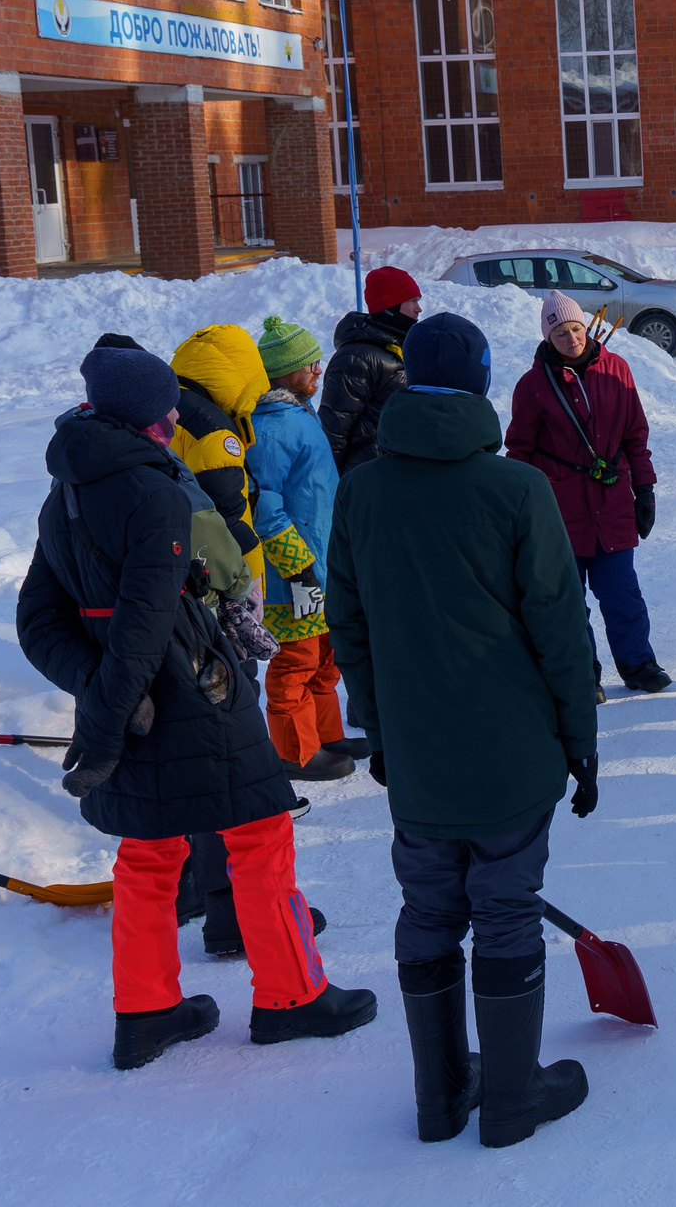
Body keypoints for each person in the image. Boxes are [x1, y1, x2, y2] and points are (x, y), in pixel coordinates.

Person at [16, 345, 376, 1071]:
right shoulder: (153, 492)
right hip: (193, 694)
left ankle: (145, 1012)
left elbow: (37, 622)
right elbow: (148, 618)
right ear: (139, 418)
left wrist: (99, 689)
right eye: (164, 408)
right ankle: (291, 995)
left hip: (135, 699)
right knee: (260, 833)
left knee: (147, 853)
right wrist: (118, 708)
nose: (175, 416)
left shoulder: (67, 492)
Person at [325, 312, 604, 1148]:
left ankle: (442, 1097)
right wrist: (580, 743)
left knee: (429, 908)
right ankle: (513, 1097)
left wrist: (379, 728)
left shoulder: (362, 488)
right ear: (483, 383)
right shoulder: (516, 488)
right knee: (507, 907)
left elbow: (350, 623)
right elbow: (559, 627)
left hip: (417, 758)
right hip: (511, 755)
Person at [507, 291, 671, 695]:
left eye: (576, 328)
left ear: (587, 327)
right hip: (559, 510)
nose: (572, 339)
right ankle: (583, 674)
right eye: (560, 332)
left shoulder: (616, 369)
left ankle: (639, 665)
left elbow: (636, 435)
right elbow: (519, 452)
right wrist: (519, 511)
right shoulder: (532, 386)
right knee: (567, 602)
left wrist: (645, 488)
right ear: (548, 337)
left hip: (612, 502)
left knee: (622, 593)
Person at [249, 315, 359, 783]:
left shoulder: (299, 415)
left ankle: (325, 736)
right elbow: (265, 507)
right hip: (292, 574)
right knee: (295, 662)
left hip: (322, 567)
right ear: (282, 373)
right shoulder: (271, 429)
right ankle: (294, 752)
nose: (319, 370)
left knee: (325, 657)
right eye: (308, 364)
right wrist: (297, 567)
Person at [167, 324, 272, 584]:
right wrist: (253, 578)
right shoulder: (213, 428)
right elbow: (226, 515)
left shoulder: (169, 404)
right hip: (214, 571)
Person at [323, 265, 422, 474]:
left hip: (397, 473)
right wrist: (338, 488)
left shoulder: (401, 347)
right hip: (368, 477)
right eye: (412, 300)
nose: (418, 308)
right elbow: (334, 432)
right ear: (391, 305)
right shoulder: (355, 359)